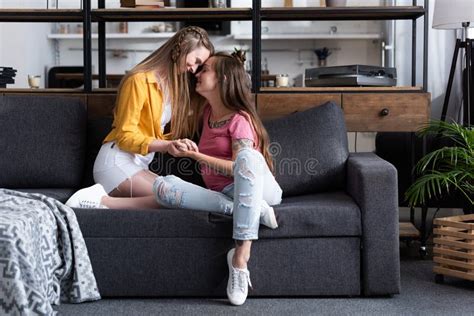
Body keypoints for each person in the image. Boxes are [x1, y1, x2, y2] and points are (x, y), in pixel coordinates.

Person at [152, 51, 283, 305]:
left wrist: (197, 157)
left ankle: (240, 260)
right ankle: (253, 211)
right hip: (225, 194)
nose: (198, 74)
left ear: (223, 79)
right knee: (162, 187)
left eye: (206, 69)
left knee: (248, 158)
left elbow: (238, 168)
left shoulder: (240, 120)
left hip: (260, 188)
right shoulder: (207, 114)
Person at [66, 26, 214, 209]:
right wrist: (167, 146)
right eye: (196, 61)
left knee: (176, 197)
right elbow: (125, 136)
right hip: (115, 162)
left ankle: (99, 203)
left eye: (200, 66)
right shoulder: (137, 80)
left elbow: (154, 131)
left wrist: (177, 142)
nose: (194, 69)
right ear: (182, 46)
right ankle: (93, 201)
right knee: (175, 197)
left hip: (137, 164)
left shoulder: (173, 87)